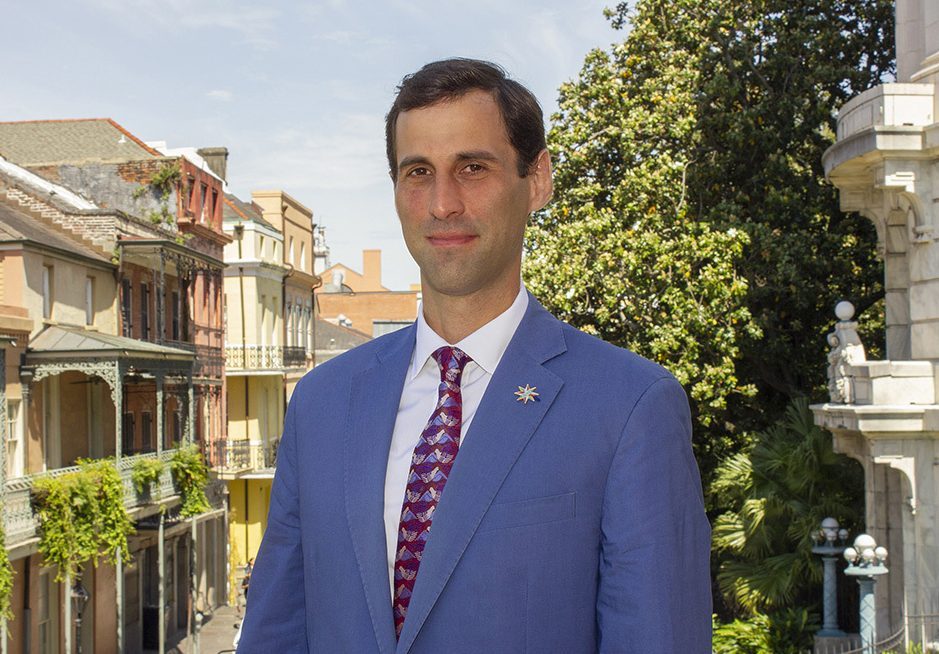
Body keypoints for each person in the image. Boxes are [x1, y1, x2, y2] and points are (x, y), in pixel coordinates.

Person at [237, 58, 711, 653]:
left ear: (536, 180)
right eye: (418, 172)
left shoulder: (629, 408)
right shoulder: (323, 402)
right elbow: (276, 633)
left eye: (473, 168)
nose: (442, 203)